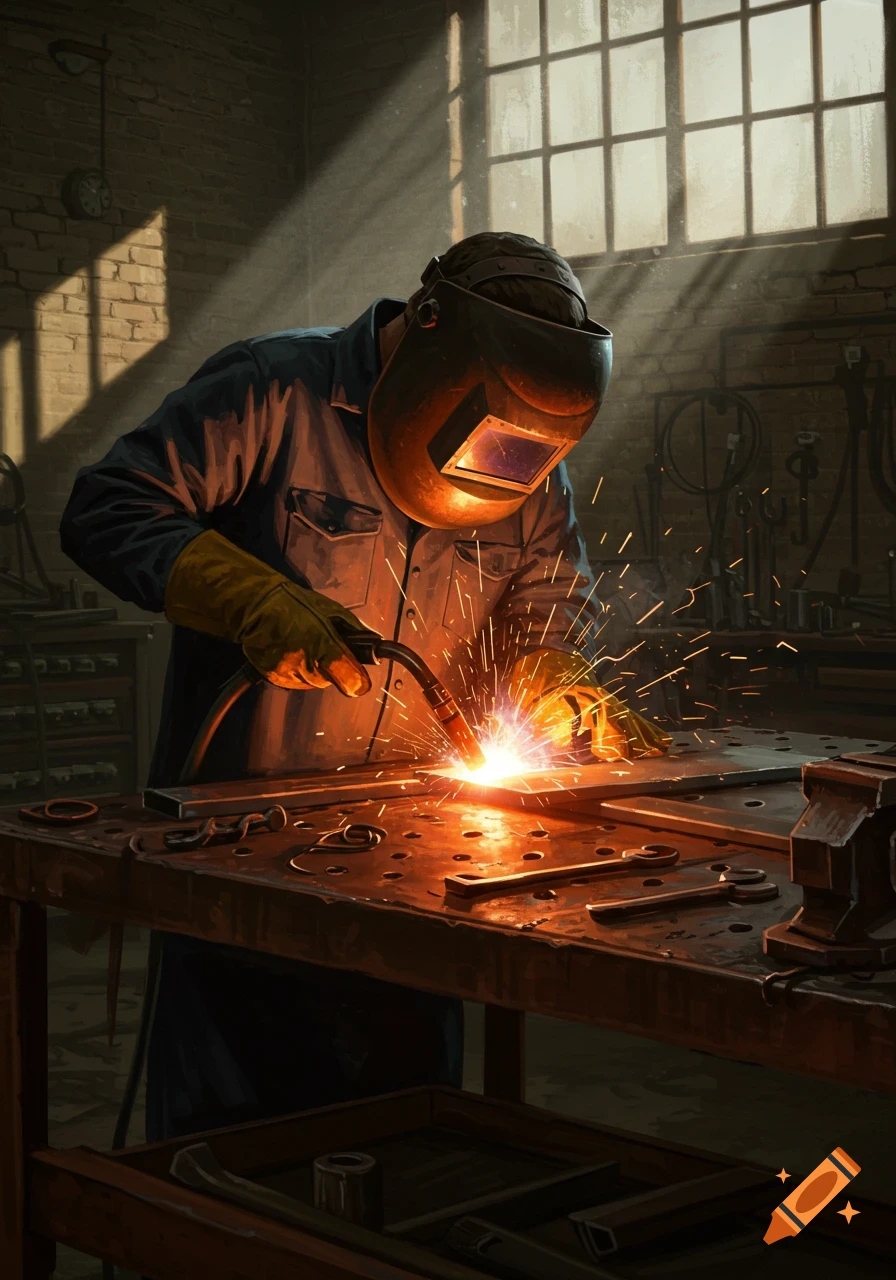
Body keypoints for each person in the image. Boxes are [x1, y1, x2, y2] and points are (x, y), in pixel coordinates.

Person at [60, 231, 670, 1141]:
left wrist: (550, 666)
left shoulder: (529, 462)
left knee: (407, 1137)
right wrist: (251, 596)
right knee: (230, 1154)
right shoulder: (274, 390)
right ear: (426, 336)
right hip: (244, 854)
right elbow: (107, 506)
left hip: (421, 862)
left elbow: (546, 593)